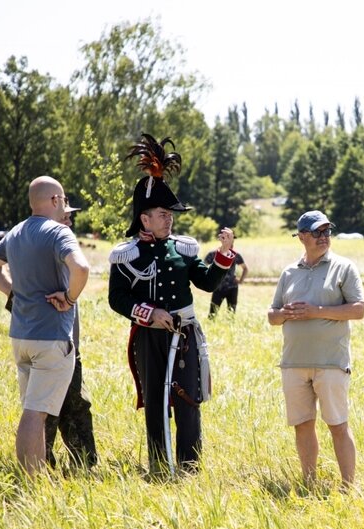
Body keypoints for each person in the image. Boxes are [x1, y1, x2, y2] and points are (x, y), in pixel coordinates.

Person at [108, 133, 236, 475]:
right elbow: (116, 299)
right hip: (151, 336)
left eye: (170, 214)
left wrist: (223, 256)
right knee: (156, 403)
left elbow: (208, 282)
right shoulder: (126, 254)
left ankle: (190, 467)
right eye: (163, 214)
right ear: (144, 218)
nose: (170, 219)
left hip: (186, 334)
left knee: (189, 399)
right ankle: (160, 467)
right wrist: (150, 314)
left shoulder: (183, 249)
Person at [0, 176, 90, 476]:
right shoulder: (57, 233)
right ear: (55, 200)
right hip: (51, 338)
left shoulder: (15, 233)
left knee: (34, 413)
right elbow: (81, 268)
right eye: (64, 200)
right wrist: (69, 297)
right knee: (34, 414)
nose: (65, 206)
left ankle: (37, 479)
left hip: (21, 337)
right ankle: (29, 481)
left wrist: (14, 292)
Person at [267, 210, 364, 489]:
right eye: (317, 232)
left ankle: (348, 489)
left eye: (327, 231)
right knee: (303, 424)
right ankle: (308, 483)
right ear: (301, 237)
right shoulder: (289, 272)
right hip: (293, 363)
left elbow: (358, 310)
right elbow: (272, 316)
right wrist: (284, 313)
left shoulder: (344, 268)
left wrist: (315, 312)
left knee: (338, 425)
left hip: (331, 362)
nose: (324, 237)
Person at [43, 202, 98, 468]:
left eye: (70, 218)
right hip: (53, 342)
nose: (70, 222)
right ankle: (40, 464)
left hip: (69, 344)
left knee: (76, 404)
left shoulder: (65, 248)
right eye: (65, 217)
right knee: (49, 409)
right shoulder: (44, 247)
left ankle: (84, 463)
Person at [204, 240, 248, 317]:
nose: (230, 247)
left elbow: (245, 268)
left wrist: (240, 280)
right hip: (218, 287)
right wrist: (209, 279)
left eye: (231, 245)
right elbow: (203, 267)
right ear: (223, 244)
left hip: (232, 288)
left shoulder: (235, 255)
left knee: (231, 314)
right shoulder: (213, 254)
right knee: (212, 314)